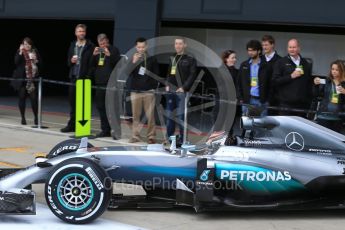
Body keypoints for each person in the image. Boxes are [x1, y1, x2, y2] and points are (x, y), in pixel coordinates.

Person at [61, 24, 95, 132]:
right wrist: (71, 61)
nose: (81, 33)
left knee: (83, 104)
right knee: (72, 103)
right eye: (79, 31)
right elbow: (67, 61)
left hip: (84, 79)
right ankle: (72, 125)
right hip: (74, 77)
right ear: (76, 33)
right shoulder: (72, 45)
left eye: (83, 31)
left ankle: (82, 127)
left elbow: (92, 64)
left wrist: (88, 76)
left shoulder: (90, 46)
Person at [165, 37, 197, 144]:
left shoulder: (190, 58)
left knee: (181, 117)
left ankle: (183, 140)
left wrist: (183, 87)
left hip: (182, 93)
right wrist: (167, 84)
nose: (177, 46)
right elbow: (169, 73)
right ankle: (169, 140)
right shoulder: (173, 57)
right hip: (171, 92)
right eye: (176, 44)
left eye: (180, 43)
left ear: (185, 45)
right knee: (170, 117)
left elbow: (192, 75)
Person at [128, 37, 160, 144]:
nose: (141, 49)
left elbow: (156, 75)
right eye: (139, 47)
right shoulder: (133, 58)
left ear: (146, 46)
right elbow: (127, 73)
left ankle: (151, 136)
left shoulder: (152, 59)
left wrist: (152, 88)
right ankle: (135, 136)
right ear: (136, 47)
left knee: (150, 116)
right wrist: (134, 62)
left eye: (143, 47)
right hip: (135, 91)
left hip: (148, 92)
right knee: (135, 115)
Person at [89, 33, 120, 138]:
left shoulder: (114, 50)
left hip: (111, 84)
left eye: (104, 43)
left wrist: (109, 55)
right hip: (99, 83)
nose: (103, 45)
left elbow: (118, 65)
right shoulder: (97, 51)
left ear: (107, 41)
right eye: (101, 43)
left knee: (112, 108)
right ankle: (105, 130)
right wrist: (93, 55)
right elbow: (91, 66)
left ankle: (116, 131)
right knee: (101, 107)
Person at [273, 38, 313, 117]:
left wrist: (308, 100)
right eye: (290, 47)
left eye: (294, 47)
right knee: (285, 128)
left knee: (300, 128)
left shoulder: (305, 63)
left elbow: (308, 83)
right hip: (286, 105)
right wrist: (291, 76)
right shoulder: (281, 62)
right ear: (287, 48)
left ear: (299, 48)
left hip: (301, 105)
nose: (292, 49)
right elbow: (275, 81)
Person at [12, 37, 41, 125]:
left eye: (28, 44)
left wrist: (35, 60)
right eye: (25, 44)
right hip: (22, 79)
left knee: (33, 99)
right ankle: (23, 118)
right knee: (22, 98)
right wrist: (20, 52)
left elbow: (41, 64)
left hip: (31, 79)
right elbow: (16, 62)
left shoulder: (35, 52)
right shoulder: (20, 52)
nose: (26, 46)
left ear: (31, 45)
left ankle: (36, 118)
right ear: (22, 45)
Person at [238, 40, 269, 117]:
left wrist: (268, 99)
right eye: (249, 50)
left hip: (261, 101)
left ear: (259, 51)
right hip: (247, 100)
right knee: (247, 124)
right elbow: (239, 82)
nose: (250, 52)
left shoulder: (266, 66)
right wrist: (241, 97)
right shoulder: (244, 65)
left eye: (253, 50)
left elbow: (271, 83)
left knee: (261, 125)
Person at [314, 60, 345, 133]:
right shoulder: (326, 81)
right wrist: (315, 85)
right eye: (332, 69)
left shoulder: (344, 84)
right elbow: (316, 95)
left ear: (342, 70)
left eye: (337, 70)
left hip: (338, 117)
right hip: (323, 115)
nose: (334, 71)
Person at [261, 35, 281, 115]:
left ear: (272, 45)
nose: (264, 47)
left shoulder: (280, 61)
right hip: (259, 98)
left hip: (274, 99)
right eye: (263, 45)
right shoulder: (259, 59)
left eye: (266, 45)